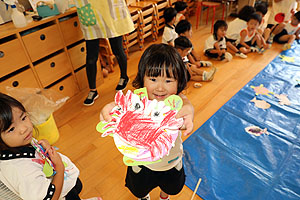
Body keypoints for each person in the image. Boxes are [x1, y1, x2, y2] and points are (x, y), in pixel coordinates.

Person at [100, 44, 194, 200]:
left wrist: (188, 112)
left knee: (170, 186)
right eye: (153, 79)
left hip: (170, 162)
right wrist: (109, 111)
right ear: (142, 77)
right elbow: (115, 110)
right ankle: (144, 197)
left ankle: (164, 196)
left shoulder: (177, 101)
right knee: (139, 188)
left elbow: (187, 106)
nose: (160, 88)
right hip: (141, 163)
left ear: (179, 83)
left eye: (168, 80)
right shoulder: (137, 101)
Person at [0, 93, 102, 200]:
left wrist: (42, 147)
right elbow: (50, 197)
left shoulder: (18, 142)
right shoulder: (21, 171)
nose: (24, 128)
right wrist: (59, 167)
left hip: (57, 180)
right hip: (57, 189)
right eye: (11, 129)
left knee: (76, 186)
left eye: (23, 118)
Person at [73, 0, 134, 106]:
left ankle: (124, 77)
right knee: (91, 57)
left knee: (117, 50)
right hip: (89, 10)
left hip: (109, 10)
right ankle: (93, 90)